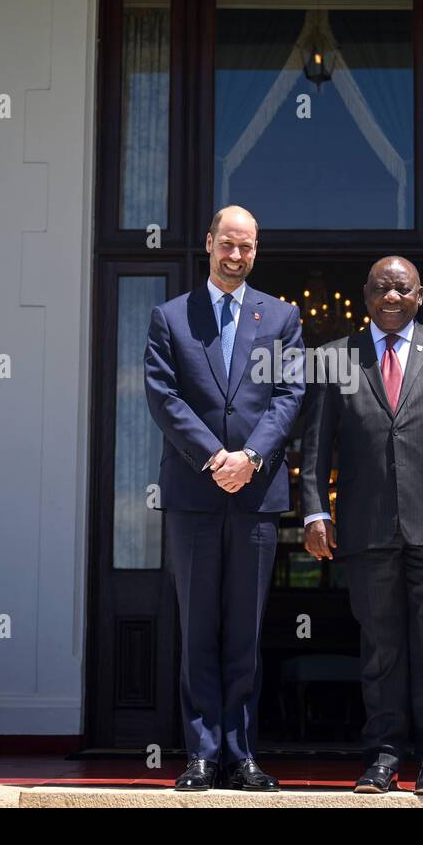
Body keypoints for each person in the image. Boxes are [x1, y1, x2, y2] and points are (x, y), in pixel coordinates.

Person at [300, 255, 423, 794]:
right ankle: (383, 757)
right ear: (365, 294)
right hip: (365, 524)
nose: (391, 297)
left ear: (420, 294)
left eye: (401, 288)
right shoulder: (335, 357)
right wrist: (316, 510)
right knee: (381, 646)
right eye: (381, 288)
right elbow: (315, 445)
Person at [143, 205, 304, 791]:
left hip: (256, 498)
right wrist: (215, 458)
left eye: (248, 247)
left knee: (245, 631)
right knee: (198, 628)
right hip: (194, 495)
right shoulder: (171, 317)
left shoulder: (282, 317)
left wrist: (251, 458)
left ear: (257, 250)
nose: (237, 256)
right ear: (208, 242)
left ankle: (242, 756)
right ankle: (202, 756)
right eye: (228, 244)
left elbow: (290, 394)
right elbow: (163, 397)